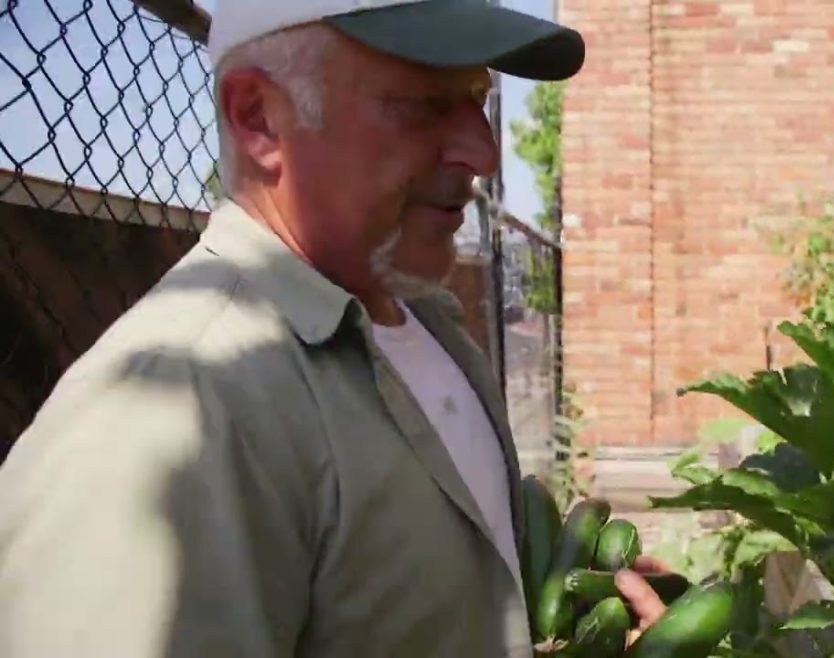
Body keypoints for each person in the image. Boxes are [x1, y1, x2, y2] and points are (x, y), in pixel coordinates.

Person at [0, 1, 671, 656]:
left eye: (478, 99)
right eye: (425, 105)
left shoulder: (426, 327)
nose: (483, 152)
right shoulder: (171, 418)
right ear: (259, 119)